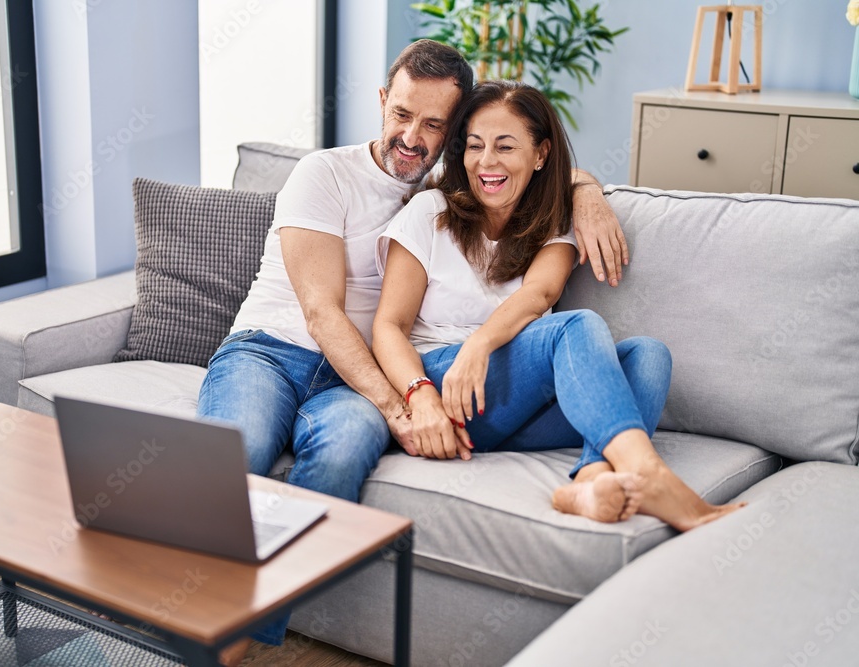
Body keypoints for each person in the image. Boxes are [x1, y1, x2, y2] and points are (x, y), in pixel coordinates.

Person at [197, 41, 627, 661]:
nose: (411, 137)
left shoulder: (445, 192)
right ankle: (168, 616)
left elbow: (541, 165)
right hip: (272, 351)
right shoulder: (325, 173)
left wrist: (587, 192)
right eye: (401, 114)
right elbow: (321, 313)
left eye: (433, 126)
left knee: (342, 454)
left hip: (352, 380)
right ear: (382, 101)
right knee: (236, 451)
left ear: (452, 133)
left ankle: (235, 640)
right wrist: (403, 403)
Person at [372, 80, 745, 531]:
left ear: (541, 154)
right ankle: (648, 475)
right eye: (475, 146)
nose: (486, 162)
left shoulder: (552, 220)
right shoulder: (429, 212)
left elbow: (540, 295)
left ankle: (589, 482)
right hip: (445, 386)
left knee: (648, 355)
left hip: (511, 406)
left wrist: (481, 345)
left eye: (505, 147)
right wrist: (423, 391)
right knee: (576, 326)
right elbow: (388, 326)